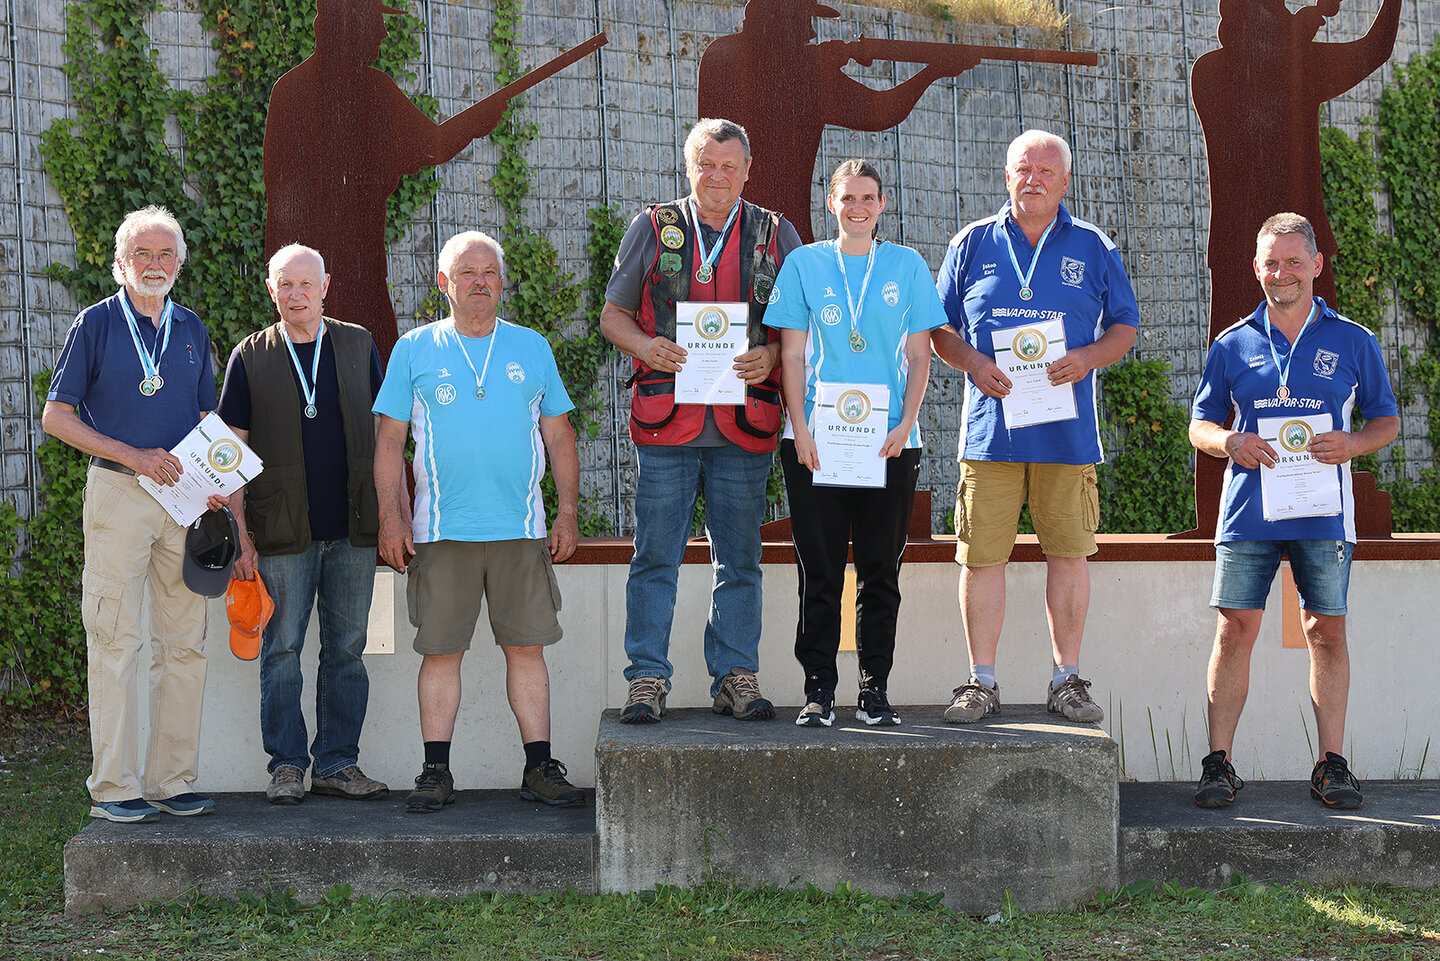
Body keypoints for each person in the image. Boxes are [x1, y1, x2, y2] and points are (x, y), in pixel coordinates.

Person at [1188, 213, 1398, 810]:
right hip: (1248, 514)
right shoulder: (1232, 343)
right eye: (1271, 263)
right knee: (1234, 630)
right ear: (1257, 268)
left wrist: (1353, 443)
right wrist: (1230, 441)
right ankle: (1218, 765)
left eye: (1294, 262)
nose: (1282, 273)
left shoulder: (1354, 340)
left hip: (1324, 514)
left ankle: (1331, 764)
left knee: (1325, 630)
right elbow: (1200, 424)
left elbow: (1386, 420)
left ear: (1316, 266)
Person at [932, 129, 1139, 726]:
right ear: (1007, 176)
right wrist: (974, 363)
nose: (1034, 179)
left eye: (1047, 171)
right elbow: (937, 328)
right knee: (981, 558)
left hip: (1066, 435)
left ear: (1065, 181)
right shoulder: (971, 242)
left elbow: (1125, 326)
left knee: (1069, 555)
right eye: (1024, 169)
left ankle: (1065, 679)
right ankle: (981, 681)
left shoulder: (1094, 245)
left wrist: (1088, 358)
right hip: (990, 434)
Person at [599, 118, 802, 724]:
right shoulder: (653, 226)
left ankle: (736, 675)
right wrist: (645, 346)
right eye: (705, 164)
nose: (716, 176)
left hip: (746, 423)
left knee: (739, 560)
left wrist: (772, 354)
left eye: (728, 166)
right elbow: (612, 317)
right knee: (654, 556)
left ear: (747, 170)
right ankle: (646, 678)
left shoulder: (776, 233)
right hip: (667, 423)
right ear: (689, 166)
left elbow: (802, 325)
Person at [374, 230, 584, 812]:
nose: (480, 282)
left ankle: (539, 768)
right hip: (442, 533)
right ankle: (434, 772)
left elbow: (559, 435)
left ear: (501, 282)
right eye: (467, 272)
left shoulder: (531, 347)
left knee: (527, 650)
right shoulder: (414, 349)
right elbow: (389, 441)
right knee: (441, 654)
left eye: (489, 272)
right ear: (444, 282)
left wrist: (567, 513)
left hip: (520, 531)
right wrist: (391, 519)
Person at [42, 206, 218, 822]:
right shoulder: (94, 323)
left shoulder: (191, 327)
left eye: (166, 254)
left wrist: (216, 483)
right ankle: (113, 788)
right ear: (120, 262)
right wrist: (133, 456)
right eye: (142, 253)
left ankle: (172, 780)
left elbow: (206, 419)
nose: (154, 264)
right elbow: (56, 417)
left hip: (184, 498)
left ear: (180, 264)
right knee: (115, 638)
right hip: (119, 493)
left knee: (185, 643)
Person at [765, 159, 948, 727]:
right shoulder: (803, 263)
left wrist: (905, 424)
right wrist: (799, 428)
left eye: (868, 198)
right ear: (831, 203)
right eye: (848, 198)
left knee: (879, 572)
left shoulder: (907, 265)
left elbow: (920, 354)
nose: (858, 208)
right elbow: (791, 353)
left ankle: (874, 691)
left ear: (883, 204)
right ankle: (818, 690)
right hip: (815, 442)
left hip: (889, 442)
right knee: (818, 571)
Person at [217, 244, 388, 805]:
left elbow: (388, 437)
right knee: (282, 649)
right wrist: (240, 534)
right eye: (285, 285)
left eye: (306, 284)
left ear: (325, 286)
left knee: (349, 650)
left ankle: (338, 763)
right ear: (272, 290)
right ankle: (287, 765)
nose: (296, 295)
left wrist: (396, 516)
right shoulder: (249, 356)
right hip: (281, 531)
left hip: (354, 528)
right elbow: (231, 452)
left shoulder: (359, 345)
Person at [697, 0, 973, 244]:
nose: (811, 32)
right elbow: (882, 111)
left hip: (715, 224)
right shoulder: (805, 71)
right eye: (802, 21)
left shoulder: (720, 54)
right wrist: (933, 71)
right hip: (780, 234)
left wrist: (821, 64)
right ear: (779, 22)